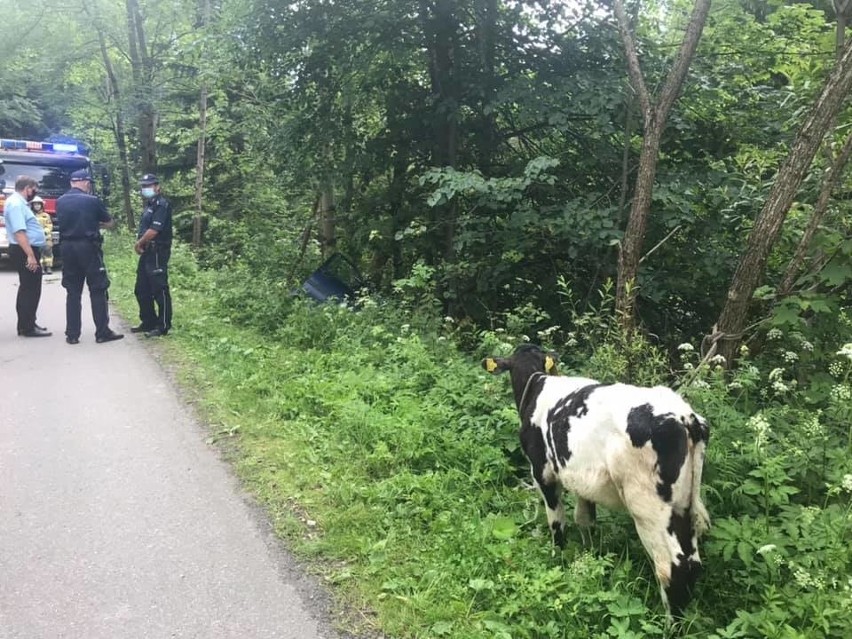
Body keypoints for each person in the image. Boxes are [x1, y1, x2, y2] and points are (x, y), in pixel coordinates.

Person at [55, 169, 123, 345]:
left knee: (73, 291)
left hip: (67, 248)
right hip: (88, 247)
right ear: (85, 182)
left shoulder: (60, 201)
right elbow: (109, 222)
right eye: (88, 183)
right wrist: (96, 223)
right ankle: (102, 332)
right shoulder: (92, 201)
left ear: (71, 182)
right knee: (98, 289)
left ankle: (72, 334)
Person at [3, 176, 50, 337]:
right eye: (33, 189)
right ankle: (27, 327)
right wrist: (30, 255)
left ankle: (26, 323)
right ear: (27, 188)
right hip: (24, 250)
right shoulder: (16, 204)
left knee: (27, 287)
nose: (34, 193)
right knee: (30, 288)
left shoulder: (19, 203)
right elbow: (19, 232)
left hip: (25, 249)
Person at [133, 173, 173, 337]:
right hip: (147, 252)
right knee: (141, 289)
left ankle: (163, 325)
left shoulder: (161, 205)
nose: (145, 189)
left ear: (157, 186)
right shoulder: (149, 205)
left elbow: (154, 230)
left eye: (148, 185)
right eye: (143, 186)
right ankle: (148, 321)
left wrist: (139, 242)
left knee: (159, 289)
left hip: (157, 251)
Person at [30, 196, 54, 274]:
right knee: (38, 254)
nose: (37, 206)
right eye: (35, 205)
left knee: (48, 252)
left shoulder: (46, 215)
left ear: (41, 205)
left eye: (38, 204)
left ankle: (49, 267)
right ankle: (41, 268)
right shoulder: (31, 216)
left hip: (46, 238)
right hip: (36, 239)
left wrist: (45, 231)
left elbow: (49, 225)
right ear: (32, 206)